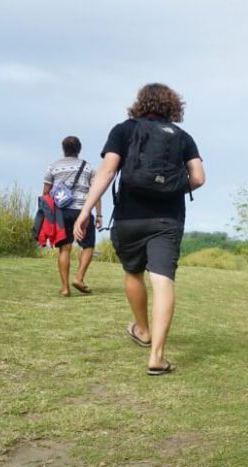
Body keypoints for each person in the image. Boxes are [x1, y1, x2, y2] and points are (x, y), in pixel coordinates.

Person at [75, 83, 206, 376]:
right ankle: (157, 356)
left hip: (129, 218)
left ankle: (143, 331)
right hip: (167, 220)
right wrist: (172, 189)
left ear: (140, 103)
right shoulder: (183, 138)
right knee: (163, 281)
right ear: (173, 106)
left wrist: (85, 211)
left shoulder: (123, 130)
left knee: (133, 272)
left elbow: (107, 171)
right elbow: (198, 178)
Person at [43, 136, 102, 297]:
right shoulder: (88, 168)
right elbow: (95, 192)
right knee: (88, 245)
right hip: (82, 211)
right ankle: (79, 278)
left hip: (61, 212)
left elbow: (45, 193)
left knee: (65, 248)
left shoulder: (53, 167)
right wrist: (98, 214)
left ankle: (65, 288)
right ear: (79, 149)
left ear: (63, 149)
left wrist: (47, 216)